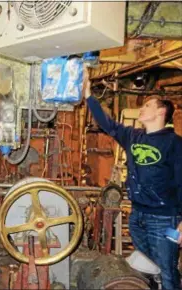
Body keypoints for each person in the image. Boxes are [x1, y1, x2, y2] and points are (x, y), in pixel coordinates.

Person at [85, 81, 182, 290]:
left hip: (164, 218)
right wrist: (88, 96)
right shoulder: (133, 136)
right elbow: (107, 124)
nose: (141, 108)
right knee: (146, 268)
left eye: (147, 105)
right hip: (138, 216)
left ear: (161, 111)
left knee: (167, 271)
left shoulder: (174, 143)